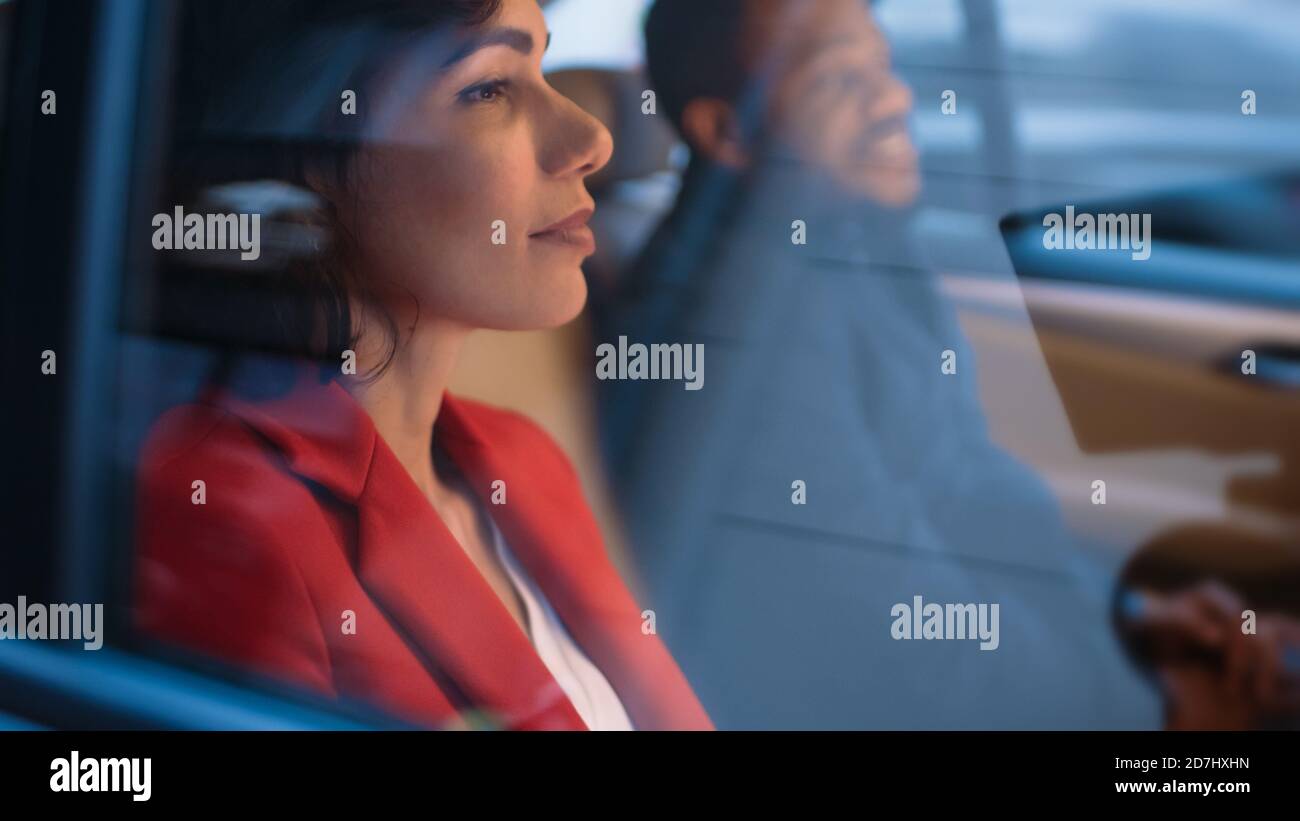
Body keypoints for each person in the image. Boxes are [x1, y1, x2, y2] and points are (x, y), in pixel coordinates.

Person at [132, 0, 712, 731]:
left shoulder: (521, 458)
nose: (591, 137)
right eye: (488, 87)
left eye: (540, 65)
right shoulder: (223, 516)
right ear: (307, 160)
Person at [592, 0, 1162, 729]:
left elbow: (971, 488)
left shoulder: (852, 236)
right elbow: (908, 635)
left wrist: (1138, 628)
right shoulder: (719, 340)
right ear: (727, 131)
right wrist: (1146, 707)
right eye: (838, 80)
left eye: (883, 64)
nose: (894, 98)